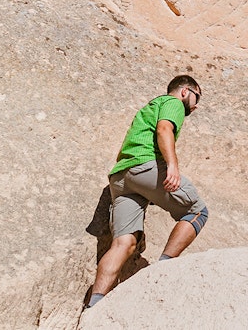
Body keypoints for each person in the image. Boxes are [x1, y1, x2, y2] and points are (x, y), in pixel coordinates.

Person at [86, 75, 208, 308]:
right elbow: (164, 129)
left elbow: (124, 149)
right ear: (185, 91)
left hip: (121, 177)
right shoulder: (172, 103)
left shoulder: (148, 108)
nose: (196, 104)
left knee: (123, 244)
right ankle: (162, 271)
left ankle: (94, 305)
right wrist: (172, 165)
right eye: (196, 97)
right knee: (197, 212)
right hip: (146, 166)